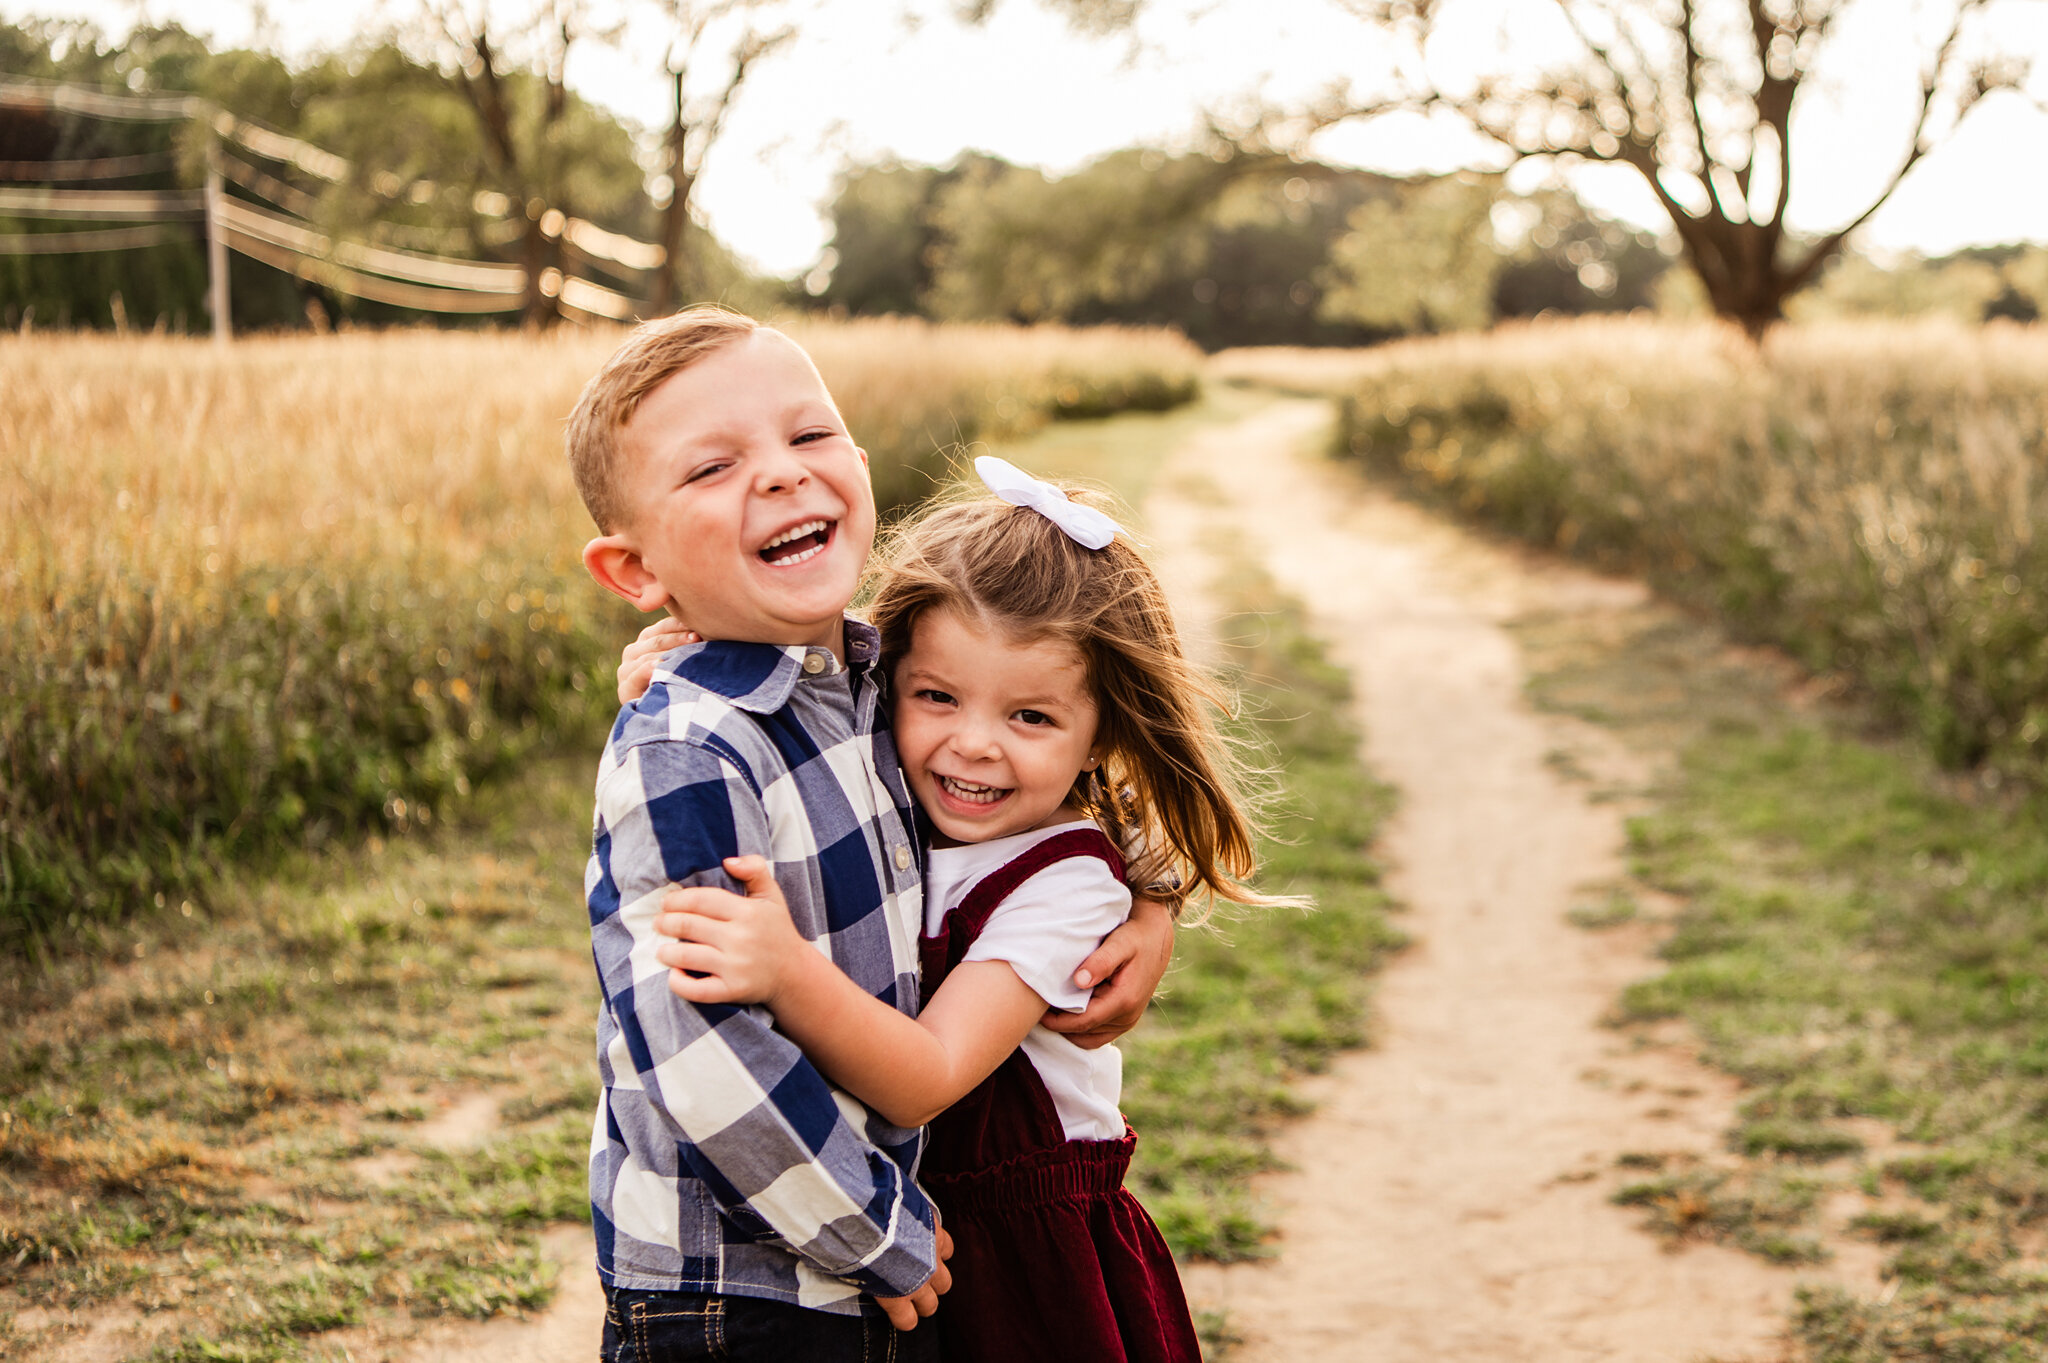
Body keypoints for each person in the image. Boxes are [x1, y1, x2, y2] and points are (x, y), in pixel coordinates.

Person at [566, 306, 1175, 1363]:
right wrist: (878, 1235)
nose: (781, 475)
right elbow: (703, 1060)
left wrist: (1151, 892)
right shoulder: (684, 750)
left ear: (855, 459)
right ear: (635, 570)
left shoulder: (873, 678)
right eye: (712, 467)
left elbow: (1058, 774)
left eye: (807, 438)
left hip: (873, 1263)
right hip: (745, 1285)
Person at [639, 457, 1297, 1363]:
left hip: (1023, 1264)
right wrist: (675, 679)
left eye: (1030, 717)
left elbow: (929, 1073)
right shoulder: (890, 778)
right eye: (938, 696)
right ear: (888, 681)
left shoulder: (1065, 883)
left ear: (1100, 730)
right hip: (903, 1234)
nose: (974, 744)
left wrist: (786, 969)